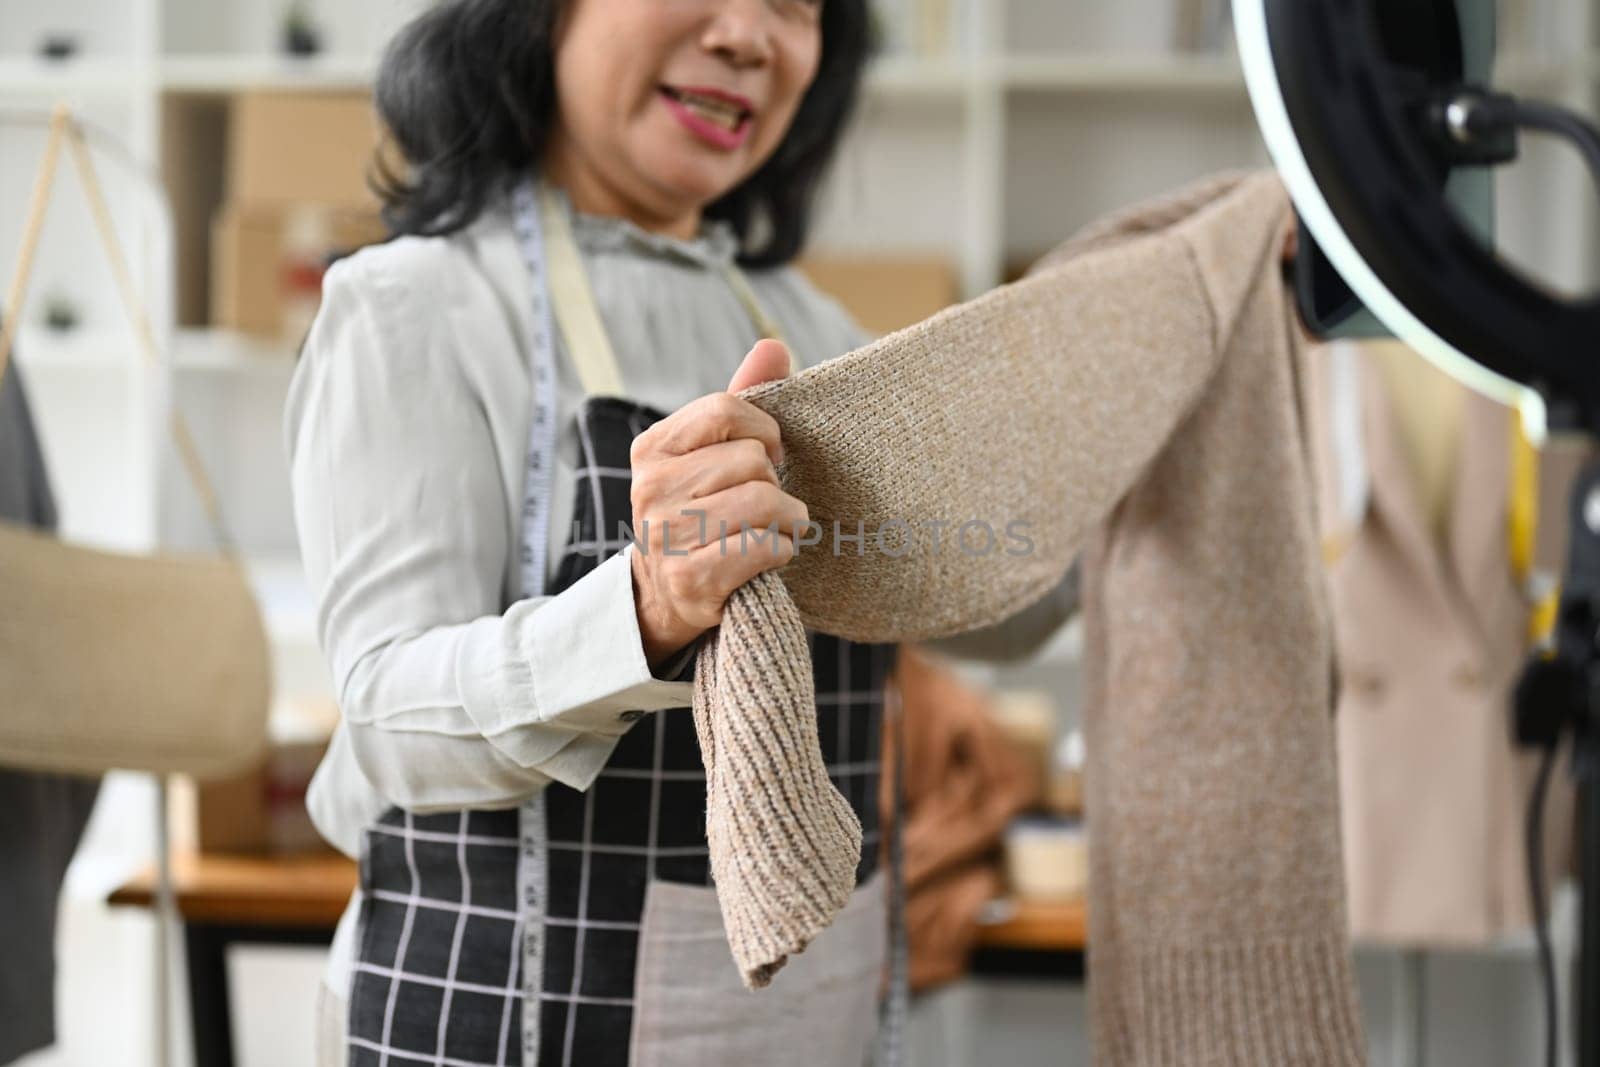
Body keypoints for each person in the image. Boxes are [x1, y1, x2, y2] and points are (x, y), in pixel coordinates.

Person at [285, 1, 1073, 1063]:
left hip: (803, 1016)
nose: (752, 36)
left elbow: (987, 608)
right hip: (512, 1014)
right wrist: (645, 612)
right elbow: (392, 728)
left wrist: (1134, 427)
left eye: (796, 6)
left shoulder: (821, 330)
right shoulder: (413, 306)